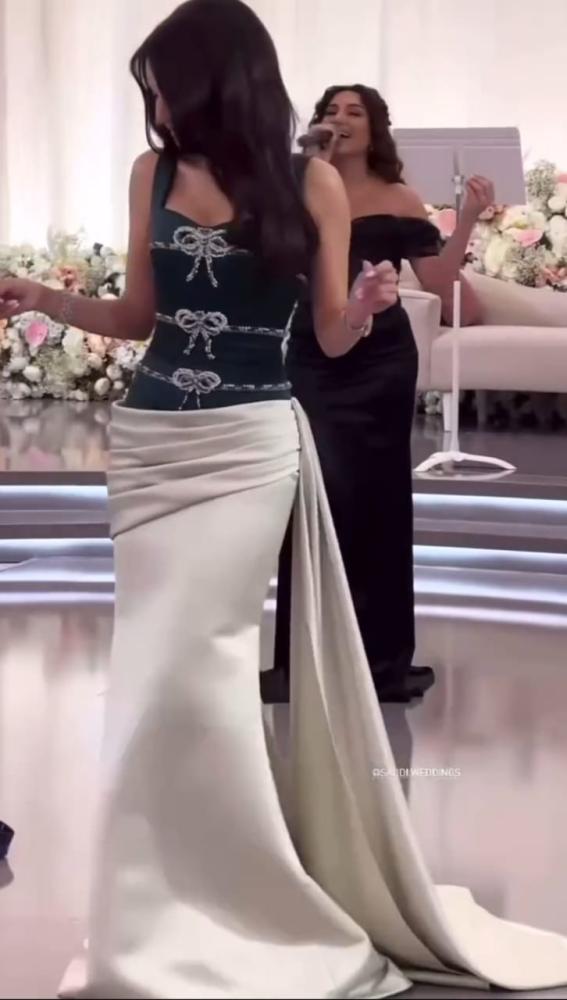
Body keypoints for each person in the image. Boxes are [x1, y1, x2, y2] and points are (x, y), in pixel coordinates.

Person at [3, 7, 567, 997]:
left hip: (249, 448)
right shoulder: (150, 175)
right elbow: (137, 317)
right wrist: (43, 298)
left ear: (216, 82)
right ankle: (155, 905)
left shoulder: (310, 184)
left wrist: (368, 309)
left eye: (165, 86)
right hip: (151, 449)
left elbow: (333, 337)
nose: (157, 106)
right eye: (150, 91)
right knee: (148, 680)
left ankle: (241, 902)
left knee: (198, 674)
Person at [262, 84, 494, 705]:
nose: (339, 120)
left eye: (354, 113)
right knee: (315, 495)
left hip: (381, 363)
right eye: (330, 111)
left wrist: (468, 217)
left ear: (374, 130)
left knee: (379, 501)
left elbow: (438, 278)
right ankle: (305, 660)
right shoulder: (294, 188)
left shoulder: (397, 197)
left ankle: (379, 662)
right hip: (312, 352)